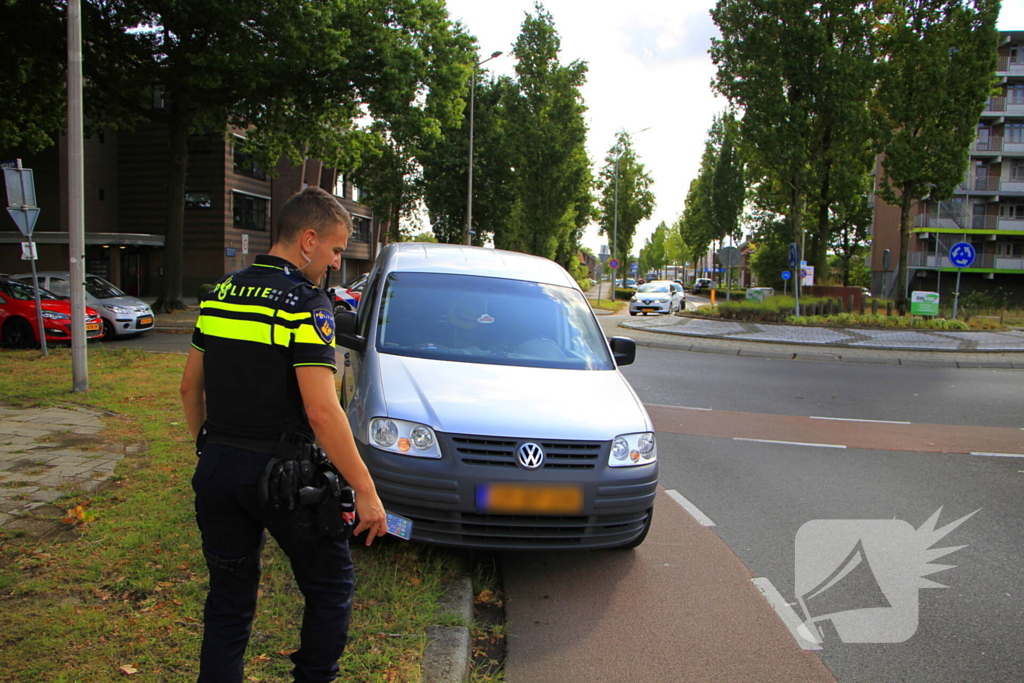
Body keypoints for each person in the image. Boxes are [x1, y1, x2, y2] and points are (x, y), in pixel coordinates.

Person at [179, 186, 387, 683]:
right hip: (283, 477)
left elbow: (190, 388)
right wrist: (364, 487)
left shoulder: (221, 292)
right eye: (337, 249)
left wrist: (208, 449)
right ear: (309, 240)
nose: (337, 263)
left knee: (228, 602)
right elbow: (321, 410)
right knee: (330, 586)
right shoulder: (305, 303)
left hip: (218, 467)